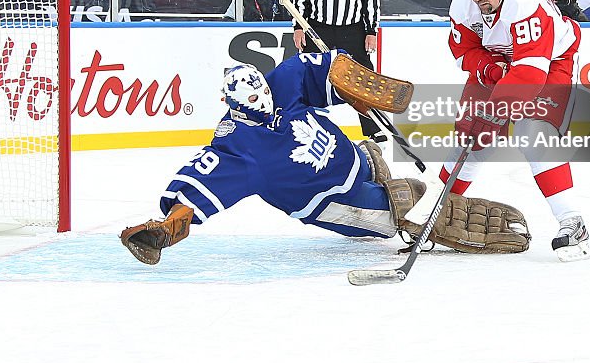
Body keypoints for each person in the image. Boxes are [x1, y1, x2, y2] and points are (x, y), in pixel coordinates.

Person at [119, 53, 529, 265]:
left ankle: (379, 181)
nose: (266, 104)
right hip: (333, 205)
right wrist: (174, 220)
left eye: (265, 94)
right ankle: (413, 217)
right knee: (407, 208)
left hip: (355, 160)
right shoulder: (237, 148)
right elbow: (198, 180)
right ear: (234, 106)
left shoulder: (281, 82)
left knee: (373, 159)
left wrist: (352, 81)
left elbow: (323, 69)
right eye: (255, 103)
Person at [446, 0, 590, 261]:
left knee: (533, 133)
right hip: (501, 60)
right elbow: (462, 51)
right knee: (472, 134)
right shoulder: (463, 2)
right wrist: (488, 67)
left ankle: (572, 222)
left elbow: (528, 74)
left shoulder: (525, 2)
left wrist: (497, 109)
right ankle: (439, 212)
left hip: (551, 62)